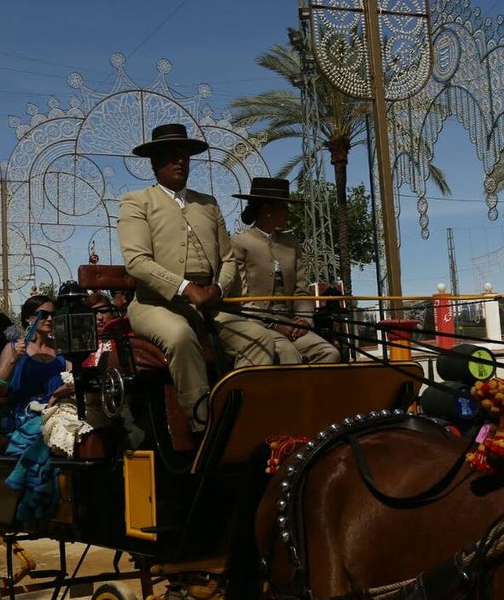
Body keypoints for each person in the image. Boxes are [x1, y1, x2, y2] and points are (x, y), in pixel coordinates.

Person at [117, 123, 275, 431]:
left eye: (185, 156)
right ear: (154, 162)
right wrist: (186, 288)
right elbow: (136, 261)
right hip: (154, 305)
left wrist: (217, 287)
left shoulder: (208, 203)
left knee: (261, 338)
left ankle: (242, 417)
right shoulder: (137, 202)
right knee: (179, 335)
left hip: (208, 303)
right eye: (172, 156)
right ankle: (202, 423)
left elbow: (228, 258)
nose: (180, 161)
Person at [231, 177, 341, 364]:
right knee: (288, 354)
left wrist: (304, 320)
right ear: (266, 210)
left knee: (329, 353)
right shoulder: (240, 243)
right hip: (258, 325)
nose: (288, 213)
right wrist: (273, 323)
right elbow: (241, 297)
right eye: (284, 207)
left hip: (292, 325)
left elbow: (301, 290)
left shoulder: (290, 244)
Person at [0, 294, 72, 520]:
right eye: (43, 314)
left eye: (53, 314)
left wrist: (66, 389)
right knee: (51, 430)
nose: (49, 319)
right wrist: (14, 360)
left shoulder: (62, 351)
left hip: (57, 413)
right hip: (24, 418)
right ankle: (26, 487)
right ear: (29, 318)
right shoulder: (14, 348)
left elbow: (75, 380)